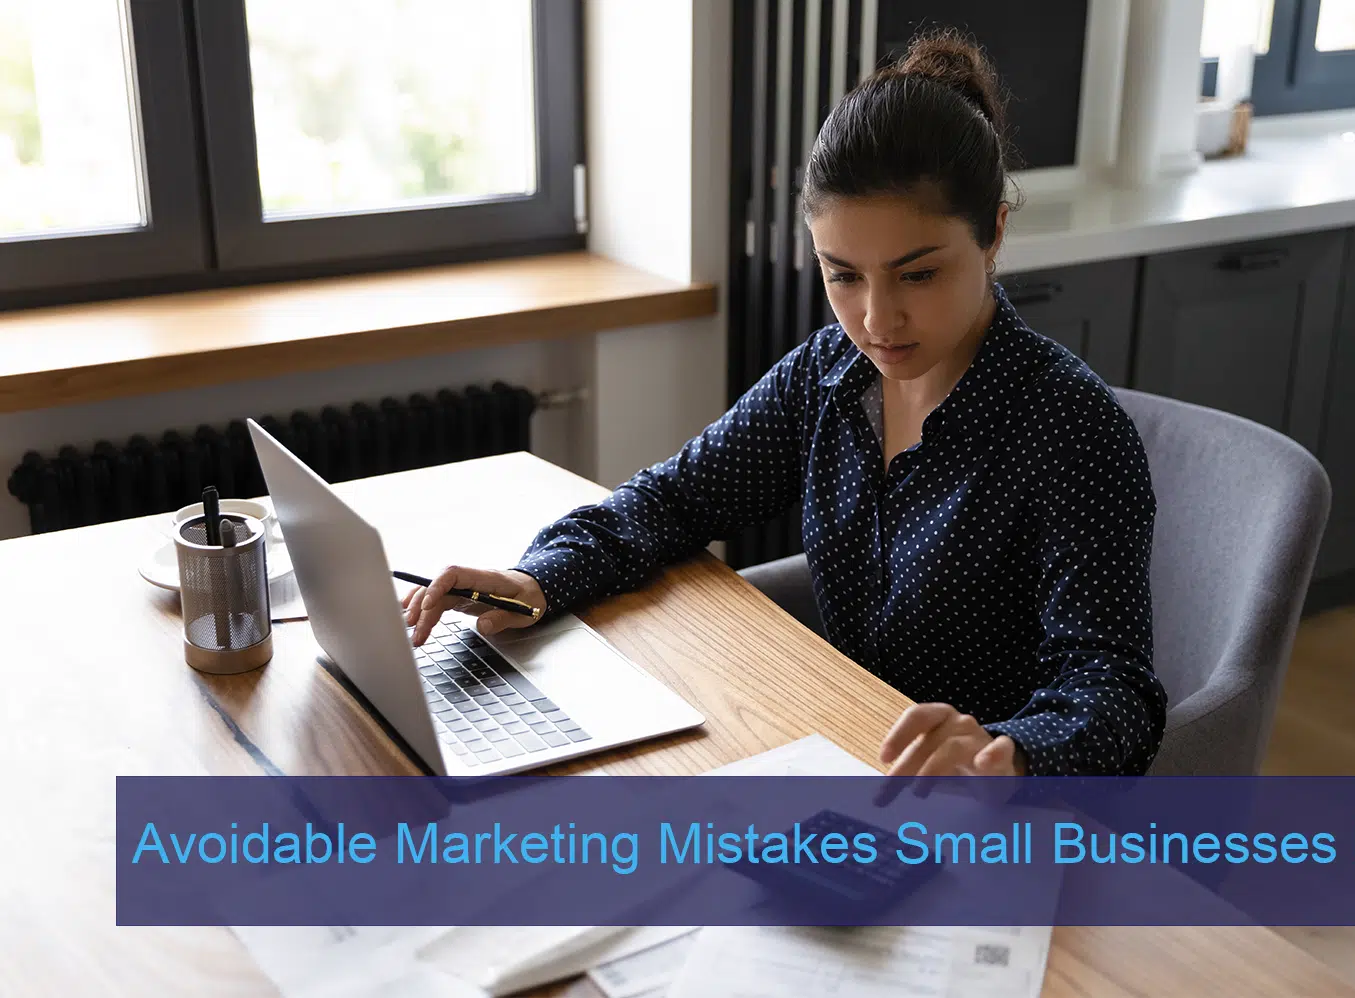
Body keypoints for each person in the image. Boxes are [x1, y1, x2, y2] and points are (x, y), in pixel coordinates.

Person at [405, 30, 1167, 778]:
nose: (876, 319)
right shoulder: (830, 376)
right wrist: (541, 578)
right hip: (841, 762)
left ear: (994, 232)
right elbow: (673, 499)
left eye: (919, 275)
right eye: (843, 275)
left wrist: (1010, 753)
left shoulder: (1070, 429)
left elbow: (1114, 690)